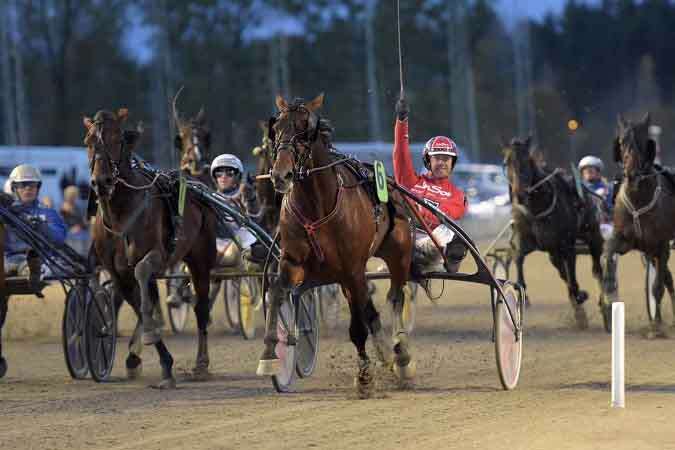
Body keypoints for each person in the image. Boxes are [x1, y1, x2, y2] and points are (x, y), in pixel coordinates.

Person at [393, 97, 468, 275]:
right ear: (428, 160)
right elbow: (401, 154)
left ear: (453, 162)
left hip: (431, 244)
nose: (442, 163)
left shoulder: (458, 196)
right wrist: (401, 121)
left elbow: (444, 216)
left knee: (449, 232)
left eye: (446, 159)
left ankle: (450, 258)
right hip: (403, 237)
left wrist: (418, 209)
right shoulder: (411, 181)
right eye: (437, 158)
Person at [3, 164, 67, 277]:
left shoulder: (48, 212)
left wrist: (42, 226)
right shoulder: (5, 212)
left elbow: (59, 239)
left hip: (45, 261)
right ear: (14, 188)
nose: (28, 188)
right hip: (12, 260)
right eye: (23, 185)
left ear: (38, 188)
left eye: (33, 185)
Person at [578, 155, 613, 239]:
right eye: (585, 170)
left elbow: (611, 208)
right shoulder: (577, 188)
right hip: (581, 225)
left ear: (598, 172)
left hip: (603, 225)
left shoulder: (608, 188)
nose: (587, 172)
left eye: (591, 170)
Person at [60, 185, 89, 255]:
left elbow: (83, 222)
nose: (73, 197)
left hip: (81, 233)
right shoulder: (62, 209)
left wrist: (80, 226)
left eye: (74, 195)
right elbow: (61, 224)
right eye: (71, 195)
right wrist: (71, 229)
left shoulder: (78, 208)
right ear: (66, 196)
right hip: (68, 235)